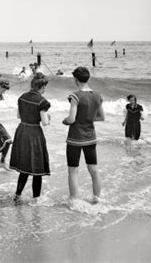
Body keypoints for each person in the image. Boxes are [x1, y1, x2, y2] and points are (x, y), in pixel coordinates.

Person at [62, 66, 104, 205]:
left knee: (73, 170)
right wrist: (87, 119)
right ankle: (97, 198)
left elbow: (71, 119)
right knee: (93, 169)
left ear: (75, 79)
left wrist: (65, 121)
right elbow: (101, 117)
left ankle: (74, 200)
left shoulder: (75, 96)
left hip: (75, 138)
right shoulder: (98, 95)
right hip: (91, 137)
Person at [10, 73, 51, 204]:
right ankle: (36, 200)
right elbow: (44, 123)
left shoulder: (22, 97)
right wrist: (49, 118)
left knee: (24, 167)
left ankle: (17, 195)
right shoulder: (42, 102)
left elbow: (18, 116)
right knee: (37, 168)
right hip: (34, 133)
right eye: (45, 87)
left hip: (22, 131)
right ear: (42, 87)